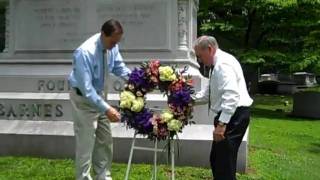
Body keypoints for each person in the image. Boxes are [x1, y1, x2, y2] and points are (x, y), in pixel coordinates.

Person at [68, 19, 131, 180]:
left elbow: (119, 68)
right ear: (103, 34)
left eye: (117, 42)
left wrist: (139, 81)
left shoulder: (112, 47)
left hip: (100, 98)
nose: (114, 45)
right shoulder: (85, 52)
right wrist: (108, 109)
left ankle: (103, 176)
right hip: (83, 100)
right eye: (112, 41)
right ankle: (82, 177)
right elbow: (87, 90)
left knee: (105, 140)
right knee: (86, 143)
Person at [192, 36, 253, 180]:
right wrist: (185, 100)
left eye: (200, 56)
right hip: (231, 116)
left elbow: (231, 95)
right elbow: (208, 94)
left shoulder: (223, 65)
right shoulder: (217, 64)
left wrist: (221, 124)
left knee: (223, 164)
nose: (199, 60)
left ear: (209, 49)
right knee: (218, 160)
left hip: (233, 117)